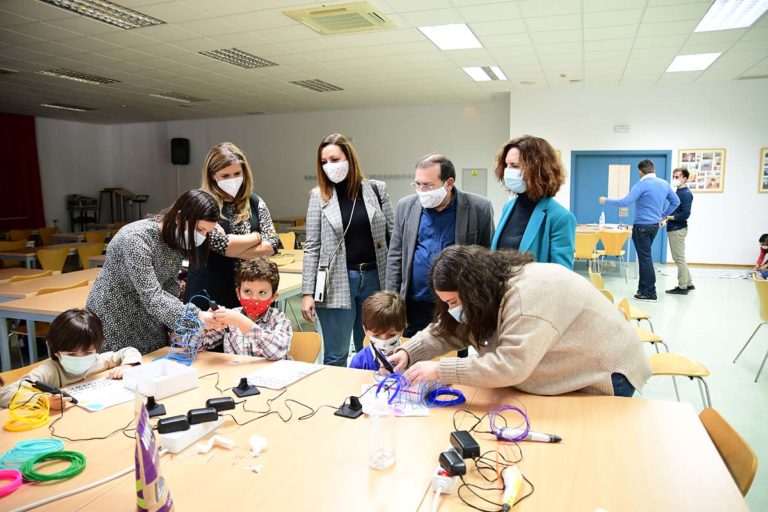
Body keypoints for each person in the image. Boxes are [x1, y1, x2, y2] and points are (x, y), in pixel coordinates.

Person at [388, 246, 651, 397]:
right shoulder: (490, 289)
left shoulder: (527, 298)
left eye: (454, 302)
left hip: (607, 370)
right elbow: (450, 329)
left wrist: (441, 371)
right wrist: (407, 352)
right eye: (446, 303)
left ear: (473, 291)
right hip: (574, 359)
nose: (452, 310)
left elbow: (511, 366)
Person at [87, 189, 221, 354]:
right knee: (121, 370)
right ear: (179, 217)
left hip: (149, 321)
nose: (202, 236)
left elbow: (170, 287)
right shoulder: (136, 239)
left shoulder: (175, 239)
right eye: (200, 229)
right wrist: (197, 317)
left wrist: (175, 329)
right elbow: (153, 296)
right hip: (114, 320)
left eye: (207, 232)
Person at [301, 134, 394, 367]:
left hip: (374, 278)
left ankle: (370, 399)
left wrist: (396, 284)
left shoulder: (376, 189)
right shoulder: (318, 195)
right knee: (336, 354)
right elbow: (312, 246)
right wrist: (307, 293)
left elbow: (393, 235)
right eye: (324, 162)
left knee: (375, 350)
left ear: (349, 159)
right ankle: (340, 401)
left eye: (334, 159)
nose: (329, 166)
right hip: (335, 281)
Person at [385, 154, 493, 339]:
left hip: (455, 304)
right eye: (417, 184)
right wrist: (390, 299)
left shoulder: (478, 208)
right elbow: (396, 255)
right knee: (411, 356)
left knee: (450, 358)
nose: (421, 190)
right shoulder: (406, 206)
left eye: (428, 185)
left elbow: (486, 259)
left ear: (449, 183)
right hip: (414, 303)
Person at [186, 142, 279, 310]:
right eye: (225, 175)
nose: (232, 180)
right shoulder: (202, 204)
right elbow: (221, 245)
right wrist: (256, 237)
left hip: (247, 292)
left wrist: (232, 246)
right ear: (213, 175)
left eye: (237, 173)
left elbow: (273, 243)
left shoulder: (254, 202)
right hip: (208, 290)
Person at [0, 309, 141, 408]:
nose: (81, 358)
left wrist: (127, 366)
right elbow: (5, 394)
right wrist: (44, 400)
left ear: (96, 349)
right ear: (57, 352)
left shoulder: (98, 360)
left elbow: (129, 351)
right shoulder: (49, 371)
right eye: (72, 354)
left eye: (87, 352)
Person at [599, 159, 680, 302]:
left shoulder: (641, 184)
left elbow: (625, 202)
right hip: (654, 226)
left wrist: (606, 200)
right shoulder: (664, 184)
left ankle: (649, 292)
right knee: (645, 258)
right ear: (653, 170)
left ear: (641, 172)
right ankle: (643, 289)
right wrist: (663, 215)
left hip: (642, 226)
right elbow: (676, 201)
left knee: (645, 259)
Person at [490, 135, 576, 269]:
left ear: (537, 170)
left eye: (514, 165)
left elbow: (562, 275)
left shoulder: (561, 218)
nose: (507, 171)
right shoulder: (508, 207)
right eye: (506, 165)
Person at [202, 258, 292, 359]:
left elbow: (276, 352)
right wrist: (205, 326)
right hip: (238, 373)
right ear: (238, 294)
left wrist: (241, 322)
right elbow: (193, 347)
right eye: (248, 291)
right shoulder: (230, 318)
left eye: (262, 293)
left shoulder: (279, 319)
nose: (254, 299)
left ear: (273, 297)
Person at [349, 291, 406, 371]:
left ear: (402, 329)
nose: (384, 341)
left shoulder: (413, 359)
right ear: (365, 330)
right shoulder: (359, 362)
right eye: (376, 335)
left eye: (392, 335)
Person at [662, 168, 694, 295]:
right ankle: (689, 283)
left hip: (678, 229)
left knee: (679, 259)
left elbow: (685, 214)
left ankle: (682, 287)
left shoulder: (685, 193)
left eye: (677, 177)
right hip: (674, 228)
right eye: (673, 177)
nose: (674, 179)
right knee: (680, 258)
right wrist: (666, 219)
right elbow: (676, 210)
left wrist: (667, 217)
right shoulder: (678, 192)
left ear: (684, 179)